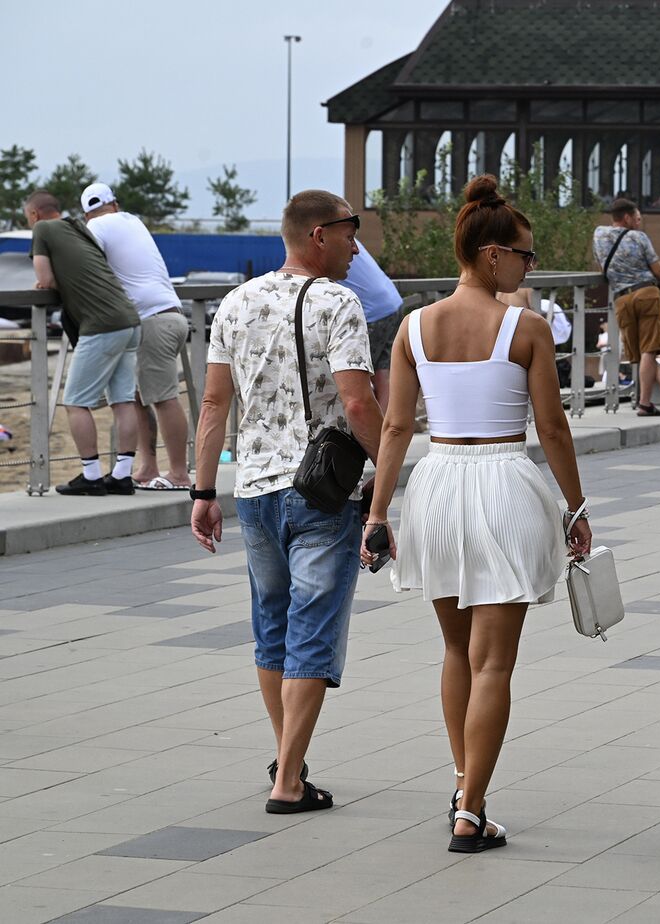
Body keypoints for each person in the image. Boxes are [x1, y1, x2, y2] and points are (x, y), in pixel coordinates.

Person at [364, 175, 591, 853]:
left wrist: (378, 515)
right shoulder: (527, 326)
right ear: (493, 254)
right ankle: (471, 810)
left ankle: (464, 784)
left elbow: (397, 428)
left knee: (457, 651)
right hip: (503, 483)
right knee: (495, 663)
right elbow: (551, 427)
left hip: (436, 485)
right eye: (526, 254)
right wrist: (575, 507)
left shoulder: (413, 326)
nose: (531, 265)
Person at [190, 190, 383, 813]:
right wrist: (390, 469)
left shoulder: (235, 302)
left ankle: (288, 758)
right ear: (320, 235)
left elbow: (215, 405)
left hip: (254, 490)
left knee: (271, 627)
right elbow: (357, 403)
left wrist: (202, 490)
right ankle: (288, 781)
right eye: (351, 235)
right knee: (312, 633)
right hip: (321, 491)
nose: (358, 249)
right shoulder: (338, 302)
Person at [24, 190, 142, 496]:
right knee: (123, 400)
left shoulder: (42, 230)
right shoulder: (78, 227)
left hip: (101, 324)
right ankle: (122, 475)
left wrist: (44, 280)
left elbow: (44, 279)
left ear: (34, 215)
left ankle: (91, 476)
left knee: (75, 402)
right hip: (129, 319)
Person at [79, 183, 191, 492]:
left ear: (86, 213)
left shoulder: (96, 227)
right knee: (141, 397)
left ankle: (179, 474)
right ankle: (147, 468)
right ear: (114, 203)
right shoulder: (131, 220)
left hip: (152, 321)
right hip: (169, 316)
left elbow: (88, 268)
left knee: (164, 398)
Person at [591, 198, 660, 416]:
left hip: (621, 299)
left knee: (638, 352)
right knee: (649, 348)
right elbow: (658, 270)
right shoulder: (639, 237)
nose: (639, 223)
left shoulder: (599, 234)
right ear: (628, 217)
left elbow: (602, 266)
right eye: (638, 219)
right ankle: (644, 403)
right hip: (646, 293)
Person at [341, 245, 404, 411]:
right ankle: (384, 432)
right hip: (391, 303)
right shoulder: (343, 231)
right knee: (382, 371)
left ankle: (367, 432)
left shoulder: (324, 238)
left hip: (371, 313)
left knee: (358, 377)